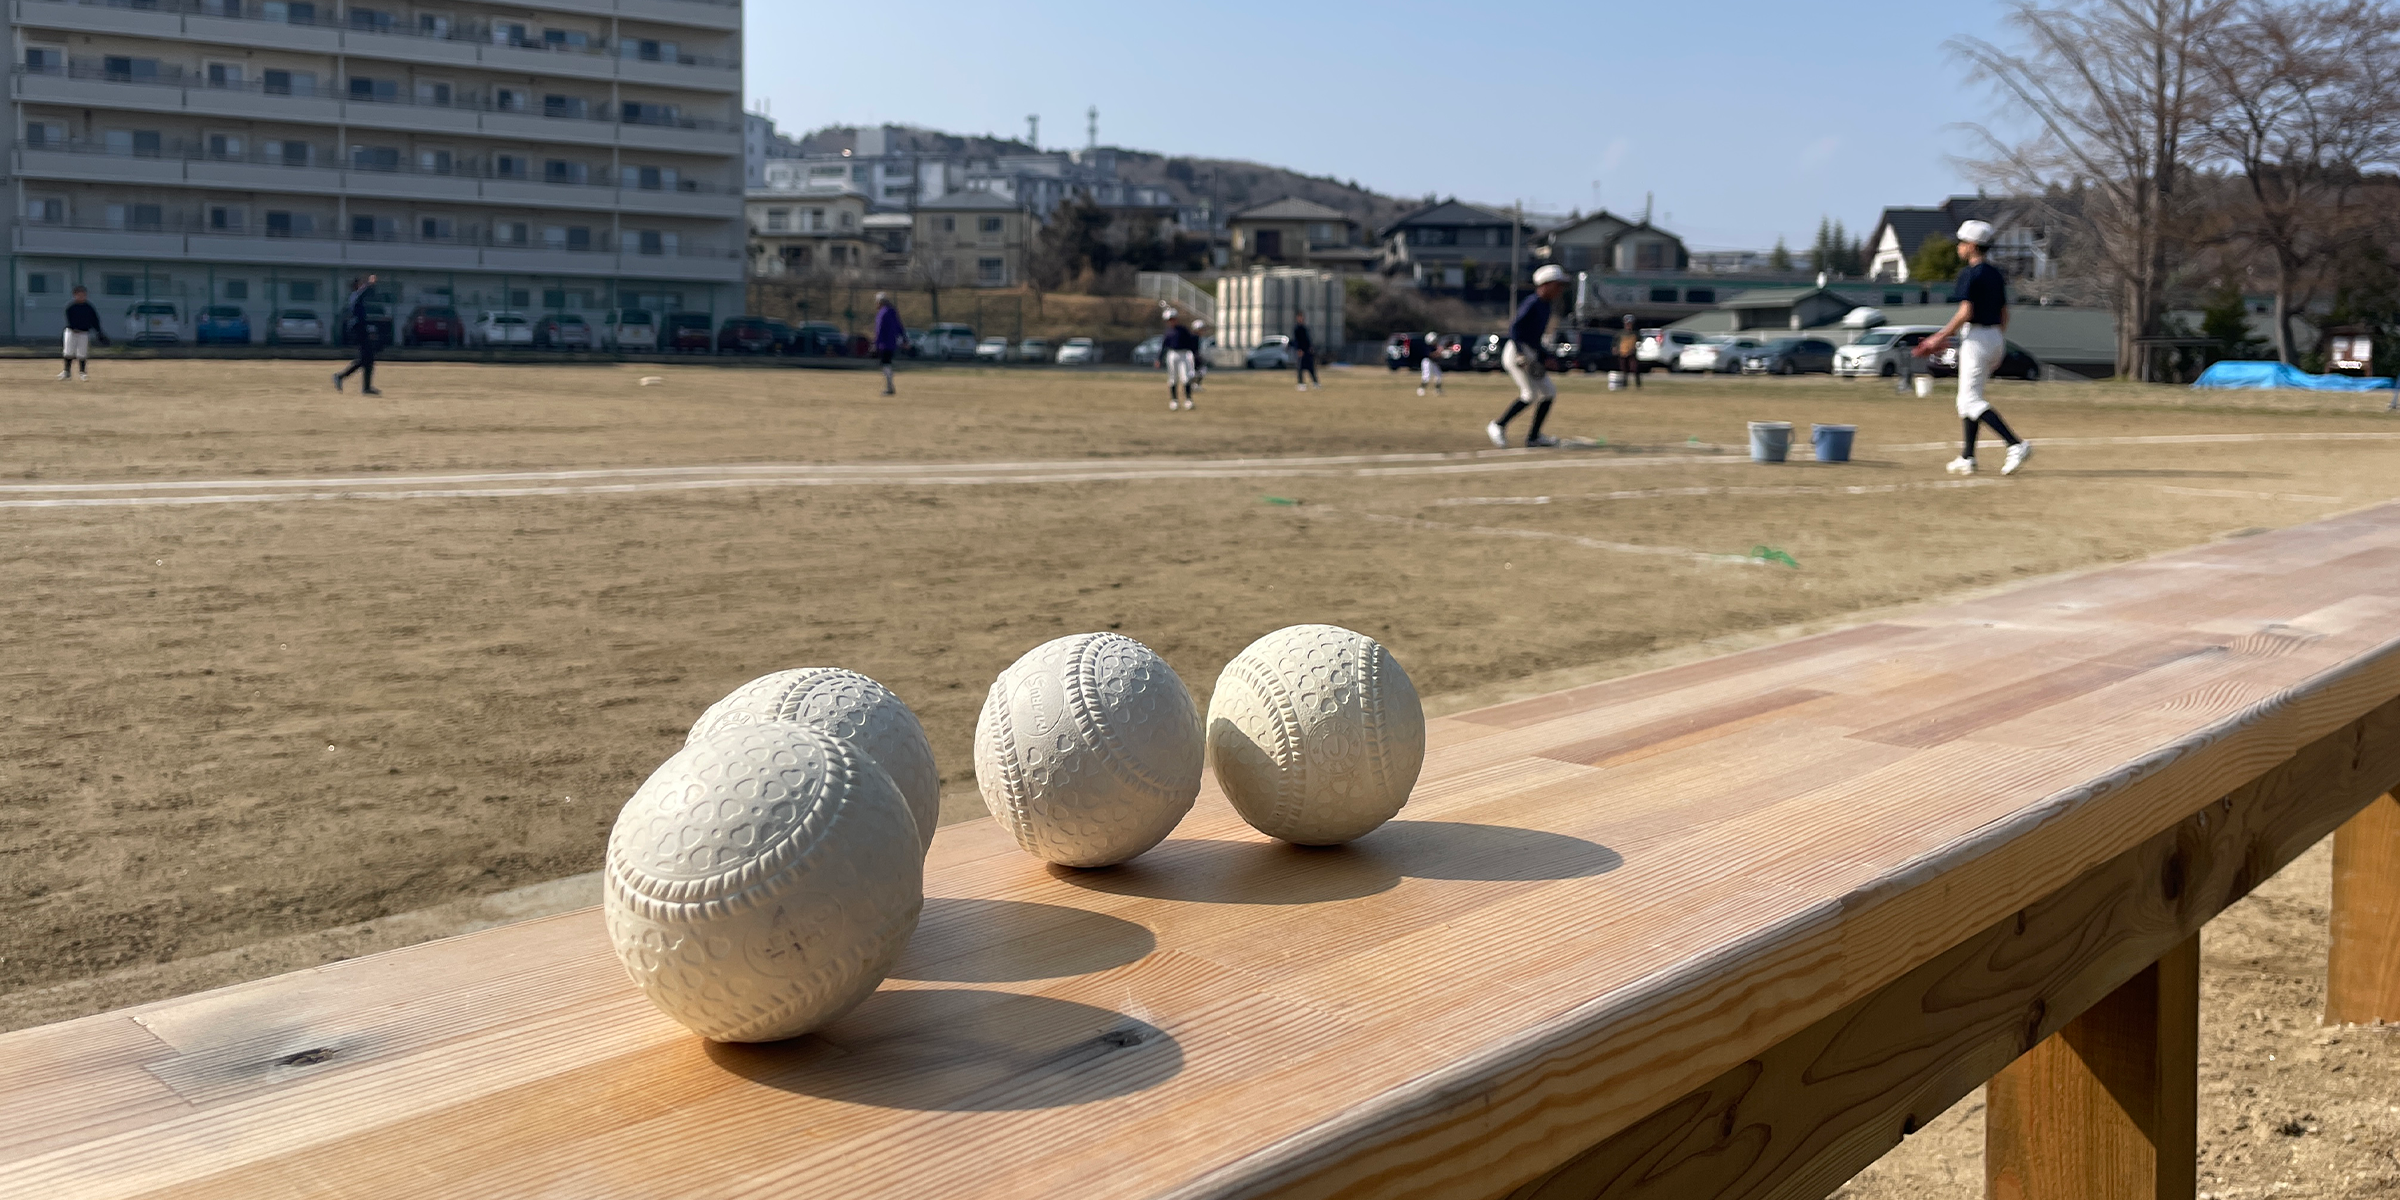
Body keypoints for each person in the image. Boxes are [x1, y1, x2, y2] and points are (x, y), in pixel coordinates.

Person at [1914, 219, 2031, 476]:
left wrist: (1939, 336)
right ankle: (1967, 457)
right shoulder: (1995, 274)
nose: (1958, 247)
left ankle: (2015, 444)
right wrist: (1996, 343)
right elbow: (2004, 314)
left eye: (1962, 242)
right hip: (1994, 337)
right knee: (1966, 398)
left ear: (1972, 246)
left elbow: (1966, 311)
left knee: (1970, 399)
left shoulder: (1970, 273)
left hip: (1977, 338)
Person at [1488, 264, 1568, 448]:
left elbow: (1536, 338)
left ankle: (1534, 437)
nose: (1560, 289)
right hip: (1516, 352)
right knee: (1530, 394)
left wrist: (1545, 356)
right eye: (1558, 285)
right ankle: (1497, 425)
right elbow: (1515, 328)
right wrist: (1520, 352)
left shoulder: (1546, 306)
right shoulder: (1533, 302)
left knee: (1548, 392)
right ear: (1545, 284)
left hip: (1529, 352)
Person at [332, 273, 382, 395]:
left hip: (360, 329)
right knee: (367, 358)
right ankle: (342, 377)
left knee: (366, 359)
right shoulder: (356, 296)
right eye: (360, 283)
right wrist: (370, 283)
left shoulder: (355, 296)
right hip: (358, 329)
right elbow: (363, 293)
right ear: (356, 285)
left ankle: (363, 386)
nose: (361, 285)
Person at [60, 286, 104, 382]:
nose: (82, 297)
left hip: (83, 332)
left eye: (83, 295)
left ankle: (82, 373)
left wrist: (99, 332)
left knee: (82, 353)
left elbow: (94, 320)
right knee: (68, 351)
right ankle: (66, 372)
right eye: (79, 295)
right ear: (75, 295)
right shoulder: (71, 307)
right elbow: (70, 320)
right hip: (71, 331)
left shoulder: (89, 308)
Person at [1160, 309, 1197, 409]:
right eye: (1169, 320)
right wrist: (1159, 358)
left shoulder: (1183, 330)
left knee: (1185, 377)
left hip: (1183, 354)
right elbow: (1164, 346)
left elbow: (1191, 343)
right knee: (1173, 378)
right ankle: (1174, 400)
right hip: (1172, 354)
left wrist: (1194, 354)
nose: (1171, 321)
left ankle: (1188, 400)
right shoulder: (1168, 331)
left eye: (1173, 319)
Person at [871, 293, 904, 395]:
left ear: (880, 302)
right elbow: (899, 326)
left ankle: (890, 387)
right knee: (887, 364)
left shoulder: (882, 313)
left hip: (884, 343)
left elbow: (879, 330)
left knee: (885, 365)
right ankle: (889, 386)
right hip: (892, 343)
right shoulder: (892, 312)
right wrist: (905, 339)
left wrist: (875, 344)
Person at [1292, 309, 1320, 391]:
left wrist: (1310, 347)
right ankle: (1301, 384)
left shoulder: (1305, 328)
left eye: (1302, 317)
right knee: (1300, 368)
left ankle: (1315, 383)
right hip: (1301, 351)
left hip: (1307, 351)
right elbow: (1296, 340)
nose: (1301, 318)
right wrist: (1298, 350)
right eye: (1300, 317)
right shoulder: (1296, 329)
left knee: (1311, 367)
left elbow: (1308, 340)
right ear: (1297, 318)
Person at [1613, 314, 1643, 389]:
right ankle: (1624, 384)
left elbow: (1639, 342)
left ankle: (1638, 385)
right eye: (1627, 324)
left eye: (1630, 324)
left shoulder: (1635, 333)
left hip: (1632, 353)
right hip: (1622, 353)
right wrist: (1615, 348)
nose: (1628, 325)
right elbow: (1615, 342)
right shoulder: (1621, 333)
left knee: (1635, 368)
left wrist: (1635, 348)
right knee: (1624, 370)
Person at [1418, 330, 1444, 396]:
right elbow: (1430, 355)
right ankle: (1421, 389)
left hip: (1433, 362)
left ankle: (1438, 390)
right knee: (1426, 377)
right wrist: (1438, 352)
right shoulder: (1427, 347)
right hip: (1427, 362)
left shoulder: (1435, 346)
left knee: (1438, 375)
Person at [1189, 318, 1210, 394]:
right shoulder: (1193, 337)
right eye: (1201, 329)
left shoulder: (1200, 338)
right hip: (1193, 357)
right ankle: (1193, 385)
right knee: (1194, 372)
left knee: (1202, 370)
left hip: (1197, 356)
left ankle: (1196, 384)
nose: (1203, 331)